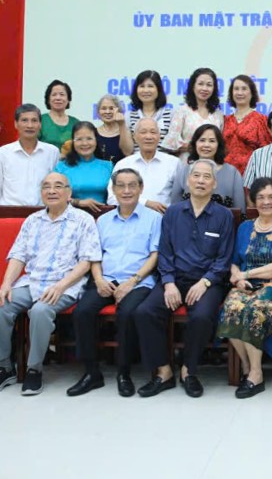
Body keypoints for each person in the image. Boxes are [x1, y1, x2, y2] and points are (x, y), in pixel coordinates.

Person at [0, 173, 101, 396]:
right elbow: (18, 256)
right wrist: (6, 285)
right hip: (32, 281)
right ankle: (5, 367)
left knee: (41, 310)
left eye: (58, 186)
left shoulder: (83, 220)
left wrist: (61, 286)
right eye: (46, 187)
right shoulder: (32, 220)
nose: (52, 191)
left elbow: (87, 261)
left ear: (69, 193)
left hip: (66, 284)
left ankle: (34, 369)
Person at [134, 159, 235, 398]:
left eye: (206, 177)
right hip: (175, 278)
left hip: (208, 282)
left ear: (214, 183)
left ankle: (189, 371)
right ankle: (164, 371)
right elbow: (165, 252)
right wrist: (168, 283)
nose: (200, 181)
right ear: (188, 181)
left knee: (201, 316)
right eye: (196, 176)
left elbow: (224, 257)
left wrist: (206, 282)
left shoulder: (223, 216)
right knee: (145, 312)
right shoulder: (173, 212)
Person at [66, 168, 161, 397]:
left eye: (132, 185)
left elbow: (155, 255)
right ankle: (91, 373)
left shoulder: (154, 218)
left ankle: (124, 372)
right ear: (114, 189)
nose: (126, 190)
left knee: (127, 313)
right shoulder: (104, 220)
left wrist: (132, 281)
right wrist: (98, 279)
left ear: (140, 188)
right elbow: (94, 255)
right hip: (106, 279)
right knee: (82, 312)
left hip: (139, 281)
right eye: (121, 185)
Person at [217, 177, 272, 399]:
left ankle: (256, 374)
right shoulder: (244, 227)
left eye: (271, 197)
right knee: (231, 308)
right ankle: (248, 367)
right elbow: (234, 259)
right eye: (261, 197)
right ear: (253, 201)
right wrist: (237, 277)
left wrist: (246, 274)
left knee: (254, 310)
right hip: (244, 284)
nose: (266, 202)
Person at [0, 103, 59, 227]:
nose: (29, 125)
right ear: (16, 124)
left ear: (40, 125)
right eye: (24, 120)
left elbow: (57, 188)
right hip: (10, 217)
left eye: (34, 121)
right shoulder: (1, 154)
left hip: (43, 217)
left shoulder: (52, 152)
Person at [108, 118, 180, 213]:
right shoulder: (124, 164)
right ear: (135, 137)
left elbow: (181, 196)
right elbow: (112, 198)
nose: (148, 136)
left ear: (159, 136)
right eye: (143, 132)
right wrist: (145, 203)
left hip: (164, 220)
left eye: (153, 132)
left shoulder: (174, 163)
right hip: (130, 220)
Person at [168, 123, 245, 210]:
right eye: (202, 140)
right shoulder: (184, 171)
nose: (206, 145)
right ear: (195, 143)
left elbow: (240, 210)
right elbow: (175, 206)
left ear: (218, 145)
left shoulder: (232, 173)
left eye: (212, 141)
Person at [162, 67, 224, 157]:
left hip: (211, 165)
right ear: (193, 86)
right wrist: (195, 146)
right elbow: (171, 142)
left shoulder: (218, 114)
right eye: (200, 84)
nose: (204, 88)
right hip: (187, 162)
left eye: (209, 85)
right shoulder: (182, 111)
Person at [54, 121, 113, 213]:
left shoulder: (108, 166)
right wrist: (78, 202)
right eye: (79, 139)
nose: (84, 143)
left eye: (89, 138)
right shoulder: (61, 167)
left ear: (96, 141)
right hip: (70, 218)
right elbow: (53, 196)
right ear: (73, 142)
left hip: (102, 218)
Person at [222, 74, 272, 175]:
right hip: (226, 174)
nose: (240, 92)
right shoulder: (225, 120)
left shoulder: (261, 120)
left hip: (252, 175)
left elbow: (267, 151)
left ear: (252, 93)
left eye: (244, 89)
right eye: (236, 89)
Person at [126, 70, 174, 145]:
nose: (146, 90)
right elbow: (127, 150)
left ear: (158, 90)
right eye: (142, 86)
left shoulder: (171, 115)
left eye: (150, 86)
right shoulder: (129, 116)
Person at [39, 79, 80, 149]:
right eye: (54, 95)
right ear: (48, 99)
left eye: (62, 94)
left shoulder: (76, 123)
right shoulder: (39, 120)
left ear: (68, 99)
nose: (58, 98)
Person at [94, 94, 133, 163]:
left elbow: (128, 152)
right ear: (98, 112)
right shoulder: (93, 133)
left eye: (111, 108)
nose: (107, 112)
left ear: (119, 111)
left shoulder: (125, 130)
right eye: (104, 108)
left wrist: (122, 125)